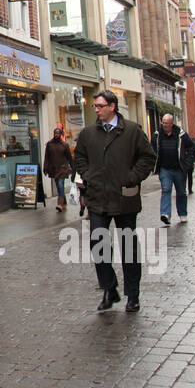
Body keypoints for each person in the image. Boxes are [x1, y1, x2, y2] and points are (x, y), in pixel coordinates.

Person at [73, 89, 157, 313]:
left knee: (129, 247)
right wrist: (88, 175)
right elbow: (79, 157)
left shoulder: (131, 131)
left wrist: (132, 177)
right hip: (98, 197)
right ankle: (109, 289)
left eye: (100, 106)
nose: (97, 110)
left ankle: (133, 295)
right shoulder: (88, 133)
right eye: (95, 106)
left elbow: (148, 157)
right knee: (98, 244)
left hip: (124, 198)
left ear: (112, 106)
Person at [150, 114, 195, 226]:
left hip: (179, 168)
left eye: (167, 123)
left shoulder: (181, 135)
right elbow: (152, 150)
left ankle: (182, 213)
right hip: (164, 168)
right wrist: (154, 164)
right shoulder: (157, 135)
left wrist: (187, 164)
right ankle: (165, 214)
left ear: (172, 123)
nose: (164, 125)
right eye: (163, 123)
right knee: (166, 190)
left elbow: (191, 148)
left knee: (181, 192)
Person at [43, 126, 75, 212]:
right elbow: (47, 157)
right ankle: (64, 202)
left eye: (58, 133)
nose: (56, 135)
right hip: (53, 168)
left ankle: (60, 204)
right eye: (55, 133)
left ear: (61, 134)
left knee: (60, 184)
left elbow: (69, 157)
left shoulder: (65, 145)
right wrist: (45, 167)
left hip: (62, 168)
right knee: (58, 185)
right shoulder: (49, 144)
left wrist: (73, 168)